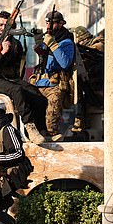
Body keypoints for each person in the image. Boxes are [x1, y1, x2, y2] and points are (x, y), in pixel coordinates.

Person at [0, 11, 47, 144]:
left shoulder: (16, 44)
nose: (3, 27)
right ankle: (30, 127)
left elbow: (18, 68)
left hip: (11, 79)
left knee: (38, 96)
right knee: (17, 91)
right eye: (0, 24)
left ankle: (42, 130)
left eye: (7, 25)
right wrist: (2, 53)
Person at [33, 11, 75, 143]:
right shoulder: (48, 37)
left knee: (52, 109)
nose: (49, 26)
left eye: (53, 23)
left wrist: (53, 45)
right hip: (40, 82)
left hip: (55, 84)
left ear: (61, 24)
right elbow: (41, 53)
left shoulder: (66, 42)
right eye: (47, 22)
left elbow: (65, 63)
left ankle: (51, 132)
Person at [72, 26, 105, 134]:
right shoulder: (87, 50)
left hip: (100, 88)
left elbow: (95, 51)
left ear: (83, 39)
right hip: (93, 87)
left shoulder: (98, 45)